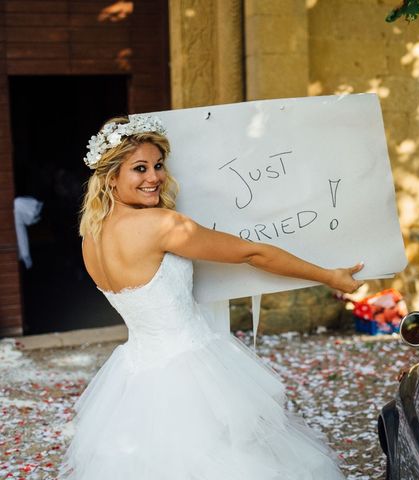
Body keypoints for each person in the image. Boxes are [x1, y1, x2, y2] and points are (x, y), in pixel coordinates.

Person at [59, 115, 363, 479]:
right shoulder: (161, 225)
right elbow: (253, 254)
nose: (154, 177)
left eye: (158, 166)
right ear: (111, 178)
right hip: (191, 367)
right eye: (139, 169)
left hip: (135, 378)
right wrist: (329, 275)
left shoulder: (90, 238)